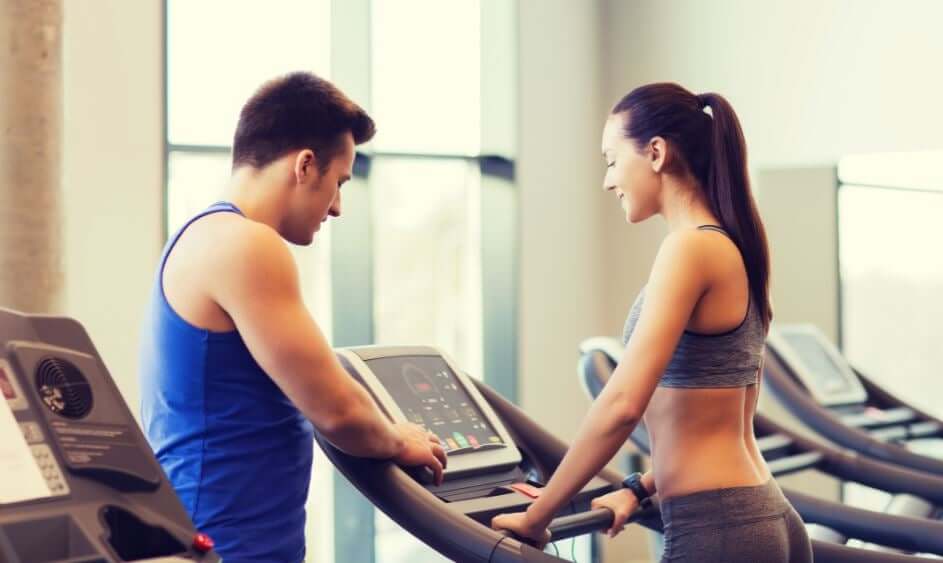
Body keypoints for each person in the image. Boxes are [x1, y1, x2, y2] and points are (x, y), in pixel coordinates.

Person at [491, 83, 812, 562]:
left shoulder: (690, 249)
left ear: (656, 153)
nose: (607, 180)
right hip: (761, 517)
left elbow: (621, 403)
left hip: (719, 529)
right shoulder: (732, 247)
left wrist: (538, 517)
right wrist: (637, 490)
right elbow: (719, 421)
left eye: (612, 160)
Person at [140, 72, 447, 562]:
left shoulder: (202, 237)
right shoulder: (246, 244)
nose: (338, 207)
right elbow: (337, 410)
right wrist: (398, 438)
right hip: (226, 549)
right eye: (339, 183)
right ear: (306, 165)